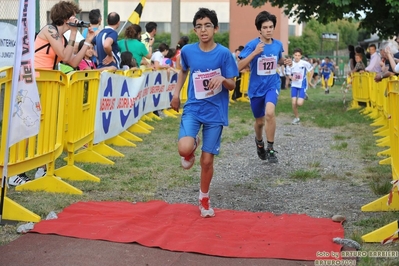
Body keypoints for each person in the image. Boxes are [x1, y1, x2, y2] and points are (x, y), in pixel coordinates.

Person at [8, 0, 96, 186]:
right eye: (73, 15)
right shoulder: (50, 30)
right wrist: (73, 33)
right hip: (32, 83)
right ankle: (14, 170)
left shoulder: (62, 38)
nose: (76, 19)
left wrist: (87, 41)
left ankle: (43, 168)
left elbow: (72, 62)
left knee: (48, 127)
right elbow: (64, 56)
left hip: (47, 83)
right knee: (26, 125)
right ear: (66, 17)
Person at [170, 8, 238, 218]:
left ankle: (204, 196)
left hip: (215, 113)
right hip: (193, 108)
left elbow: (233, 85)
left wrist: (223, 80)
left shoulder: (224, 54)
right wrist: (176, 93)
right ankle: (193, 145)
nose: (203, 30)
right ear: (195, 30)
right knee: (184, 149)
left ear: (216, 28)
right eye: (199, 26)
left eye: (207, 25)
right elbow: (183, 70)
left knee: (207, 161)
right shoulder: (188, 51)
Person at [237, 10, 291, 163]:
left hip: (272, 84)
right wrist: (254, 53)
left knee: (270, 113)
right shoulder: (252, 45)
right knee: (260, 122)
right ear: (259, 29)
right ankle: (259, 142)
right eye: (265, 27)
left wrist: (285, 61)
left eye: (271, 27)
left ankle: (271, 148)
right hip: (255, 88)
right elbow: (239, 66)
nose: (269, 30)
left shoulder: (278, 44)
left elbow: (278, 59)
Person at [285, 48, 313, 125]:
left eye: (298, 55)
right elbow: (288, 74)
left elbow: (311, 70)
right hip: (294, 85)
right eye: (295, 55)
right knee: (293, 103)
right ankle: (297, 118)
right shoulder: (290, 64)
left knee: (299, 103)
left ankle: (304, 95)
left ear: (301, 56)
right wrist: (291, 77)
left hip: (302, 85)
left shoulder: (304, 63)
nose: (297, 57)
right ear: (293, 55)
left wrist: (310, 80)